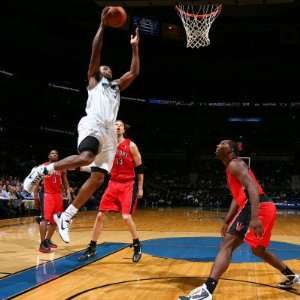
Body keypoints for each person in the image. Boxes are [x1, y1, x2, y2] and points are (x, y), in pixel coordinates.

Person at [23, 7, 140, 243]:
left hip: (108, 133)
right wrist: (102, 26)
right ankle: (43, 170)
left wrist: (135, 46)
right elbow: (95, 53)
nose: (105, 68)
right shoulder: (95, 80)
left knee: (98, 178)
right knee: (86, 157)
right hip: (93, 123)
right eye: (102, 67)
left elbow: (134, 72)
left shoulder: (116, 86)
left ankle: (66, 217)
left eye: (108, 68)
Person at [178, 140, 300, 300]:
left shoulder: (235, 164)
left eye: (222, 144)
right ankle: (292, 276)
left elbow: (253, 189)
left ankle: (207, 290)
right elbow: (237, 198)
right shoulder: (231, 168)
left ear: (230, 151)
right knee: (258, 251)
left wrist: (255, 217)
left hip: (257, 206)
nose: (217, 145)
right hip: (262, 206)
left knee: (227, 245)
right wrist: (227, 221)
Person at [79, 120, 144, 262]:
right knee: (100, 215)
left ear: (123, 129)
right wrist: (84, 167)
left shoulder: (131, 145)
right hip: (113, 183)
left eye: (120, 125)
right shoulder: (107, 146)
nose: (118, 126)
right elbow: (100, 165)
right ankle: (92, 246)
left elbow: (139, 168)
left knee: (126, 217)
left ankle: (137, 244)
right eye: (115, 124)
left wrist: (140, 187)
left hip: (128, 184)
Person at [32, 150, 71, 253]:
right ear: (49, 156)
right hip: (46, 195)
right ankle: (42, 243)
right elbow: (36, 183)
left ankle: (48, 240)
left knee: (55, 219)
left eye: (56, 153)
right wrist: (35, 197)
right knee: (44, 219)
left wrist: (68, 191)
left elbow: (65, 179)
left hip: (58, 195)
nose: (55, 155)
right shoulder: (43, 166)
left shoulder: (61, 167)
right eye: (52, 153)